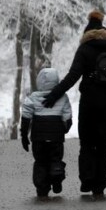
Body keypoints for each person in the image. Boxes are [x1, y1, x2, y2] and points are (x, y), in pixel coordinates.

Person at [44, 9, 106, 198]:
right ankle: (100, 185)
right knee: (105, 146)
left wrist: (53, 95)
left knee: (87, 144)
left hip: (90, 105)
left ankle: (87, 180)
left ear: (87, 33)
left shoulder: (85, 49)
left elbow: (72, 77)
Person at [19, 66, 72, 198]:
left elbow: (26, 116)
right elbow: (68, 116)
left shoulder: (32, 98)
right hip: (56, 138)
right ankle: (57, 179)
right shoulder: (62, 97)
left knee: (41, 162)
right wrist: (64, 129)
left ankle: (42, 189)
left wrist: (24, 135)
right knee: (56, 159)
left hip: (38, 138)